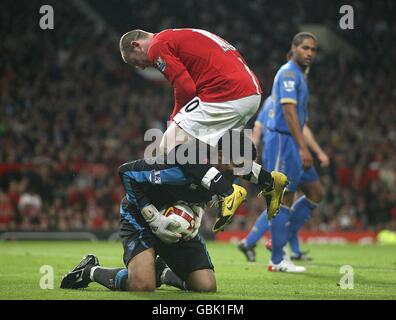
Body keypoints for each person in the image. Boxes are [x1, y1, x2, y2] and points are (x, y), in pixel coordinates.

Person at [119, 28, 288, 233]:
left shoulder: (157, 46)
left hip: (226, 92)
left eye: (136, 62)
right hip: (250, 93)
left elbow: (185, 86)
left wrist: (175, 117)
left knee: (169, 145)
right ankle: (270, 181)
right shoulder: (179, 35)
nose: (143, 67)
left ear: (136, 45)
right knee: (223, 159)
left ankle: (226, 193)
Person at [60, 139, 265, 292]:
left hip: (176, 222)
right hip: (141, 216)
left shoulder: (230, 176)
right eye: (238, 164)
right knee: (142, 286)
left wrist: (197, 214)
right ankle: (90, 271)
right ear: (220, 155)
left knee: (206, 286)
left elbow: (200, 196)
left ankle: (163, 273)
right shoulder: (182, 165)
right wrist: (153, 217)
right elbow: (126, 172)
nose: (240, 172)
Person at [239, 32, 329, 271]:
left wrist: (312, 149)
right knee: (283, 197)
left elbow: (300, 119)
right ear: (294, 48)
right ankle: (277, 259)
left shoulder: (300, 76)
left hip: (293, 141)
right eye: (305, 48)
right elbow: (289, 113)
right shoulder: (289, 73)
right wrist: (302, 148)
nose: (310, 53)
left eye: (313, 50)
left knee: (316, 192)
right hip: (283, 142)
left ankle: (280, 238)